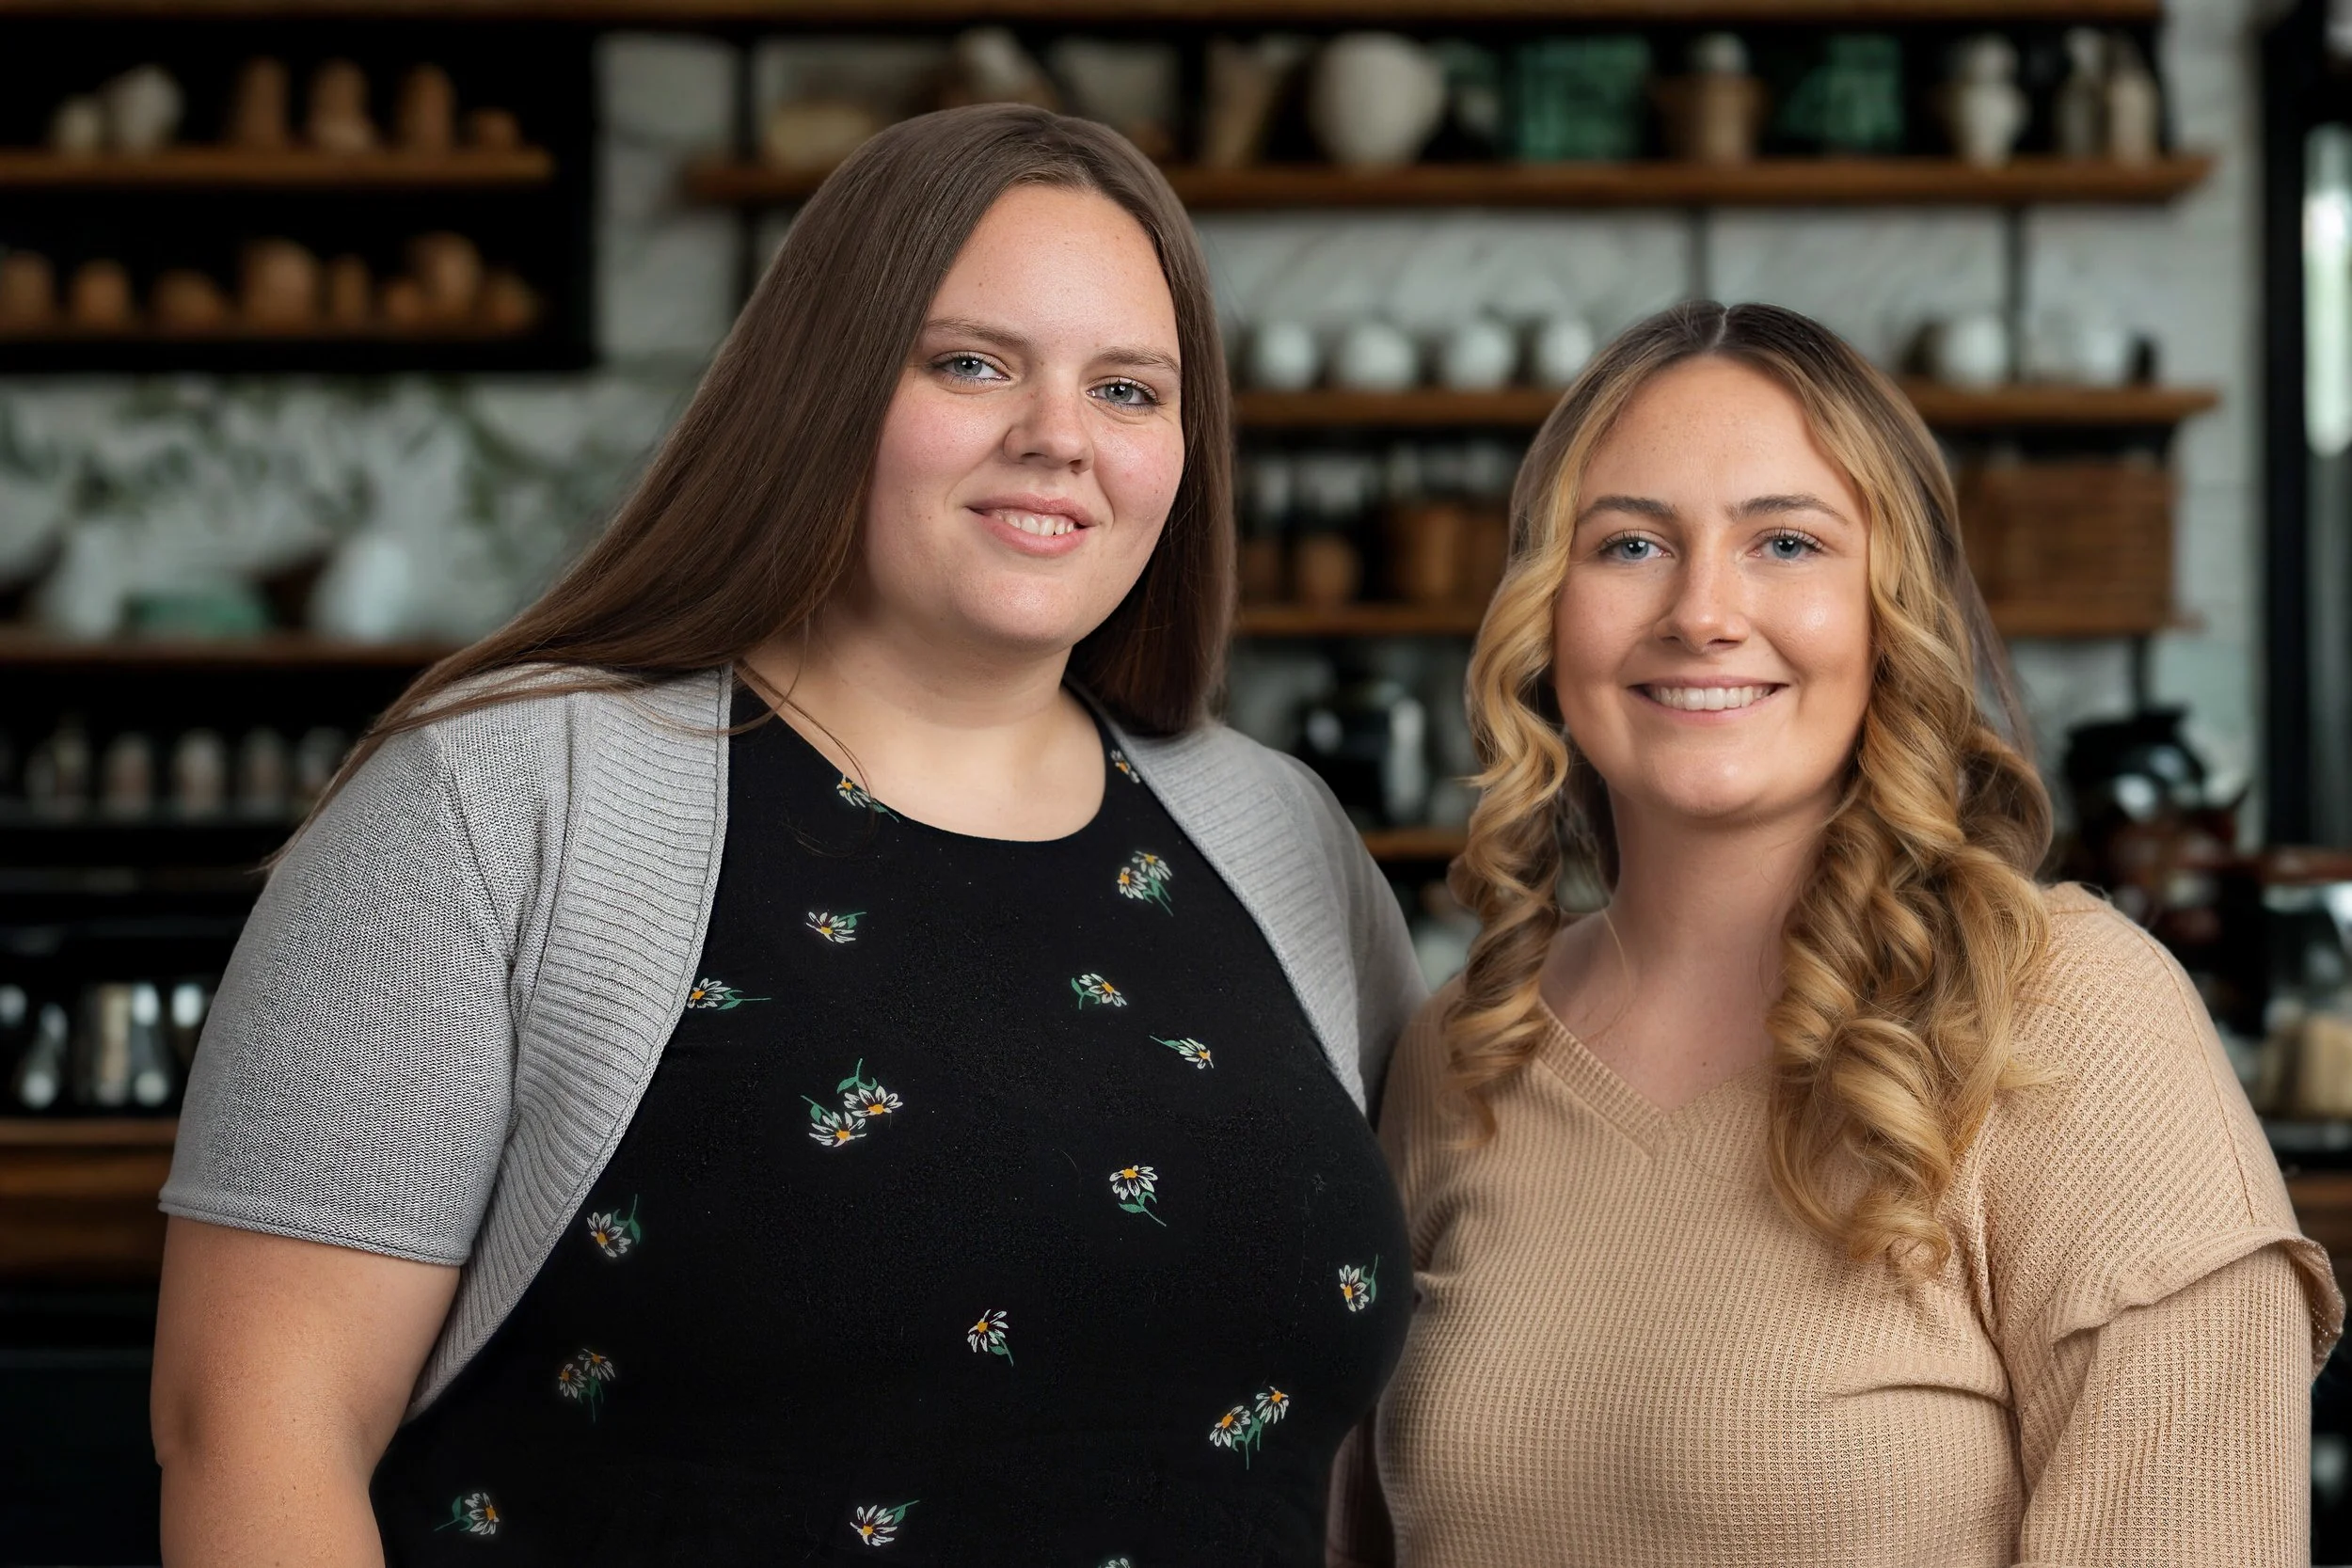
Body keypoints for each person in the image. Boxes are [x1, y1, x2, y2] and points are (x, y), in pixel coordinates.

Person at [151, 104, 1419, 1566]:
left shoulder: (1281, 837)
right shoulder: (501, 794)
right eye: (970, 363)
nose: (1059, 438)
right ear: (822, 390)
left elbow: (1345, 1467)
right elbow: (251, 1427)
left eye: (1129, 390)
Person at [1330, 300, 2343, 1567]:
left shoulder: (2073, 1020)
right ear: (1546, 616)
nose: (1702, 611)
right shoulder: (1460, 1053)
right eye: (1631, 543)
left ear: (1891, 611)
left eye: (1787, 543)